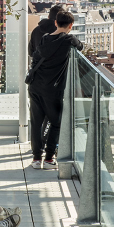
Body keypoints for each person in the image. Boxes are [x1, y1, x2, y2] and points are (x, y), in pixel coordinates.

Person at [27, 10, 82, 169]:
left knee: (36, 123)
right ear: (71, 26)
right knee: (56, 122)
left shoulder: (44, 38)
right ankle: (49, 159)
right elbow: (80, 46)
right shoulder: (69, 40)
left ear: (56, 23)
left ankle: (36, 159)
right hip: (53, 88)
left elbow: (35, 56)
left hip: (35, 86)